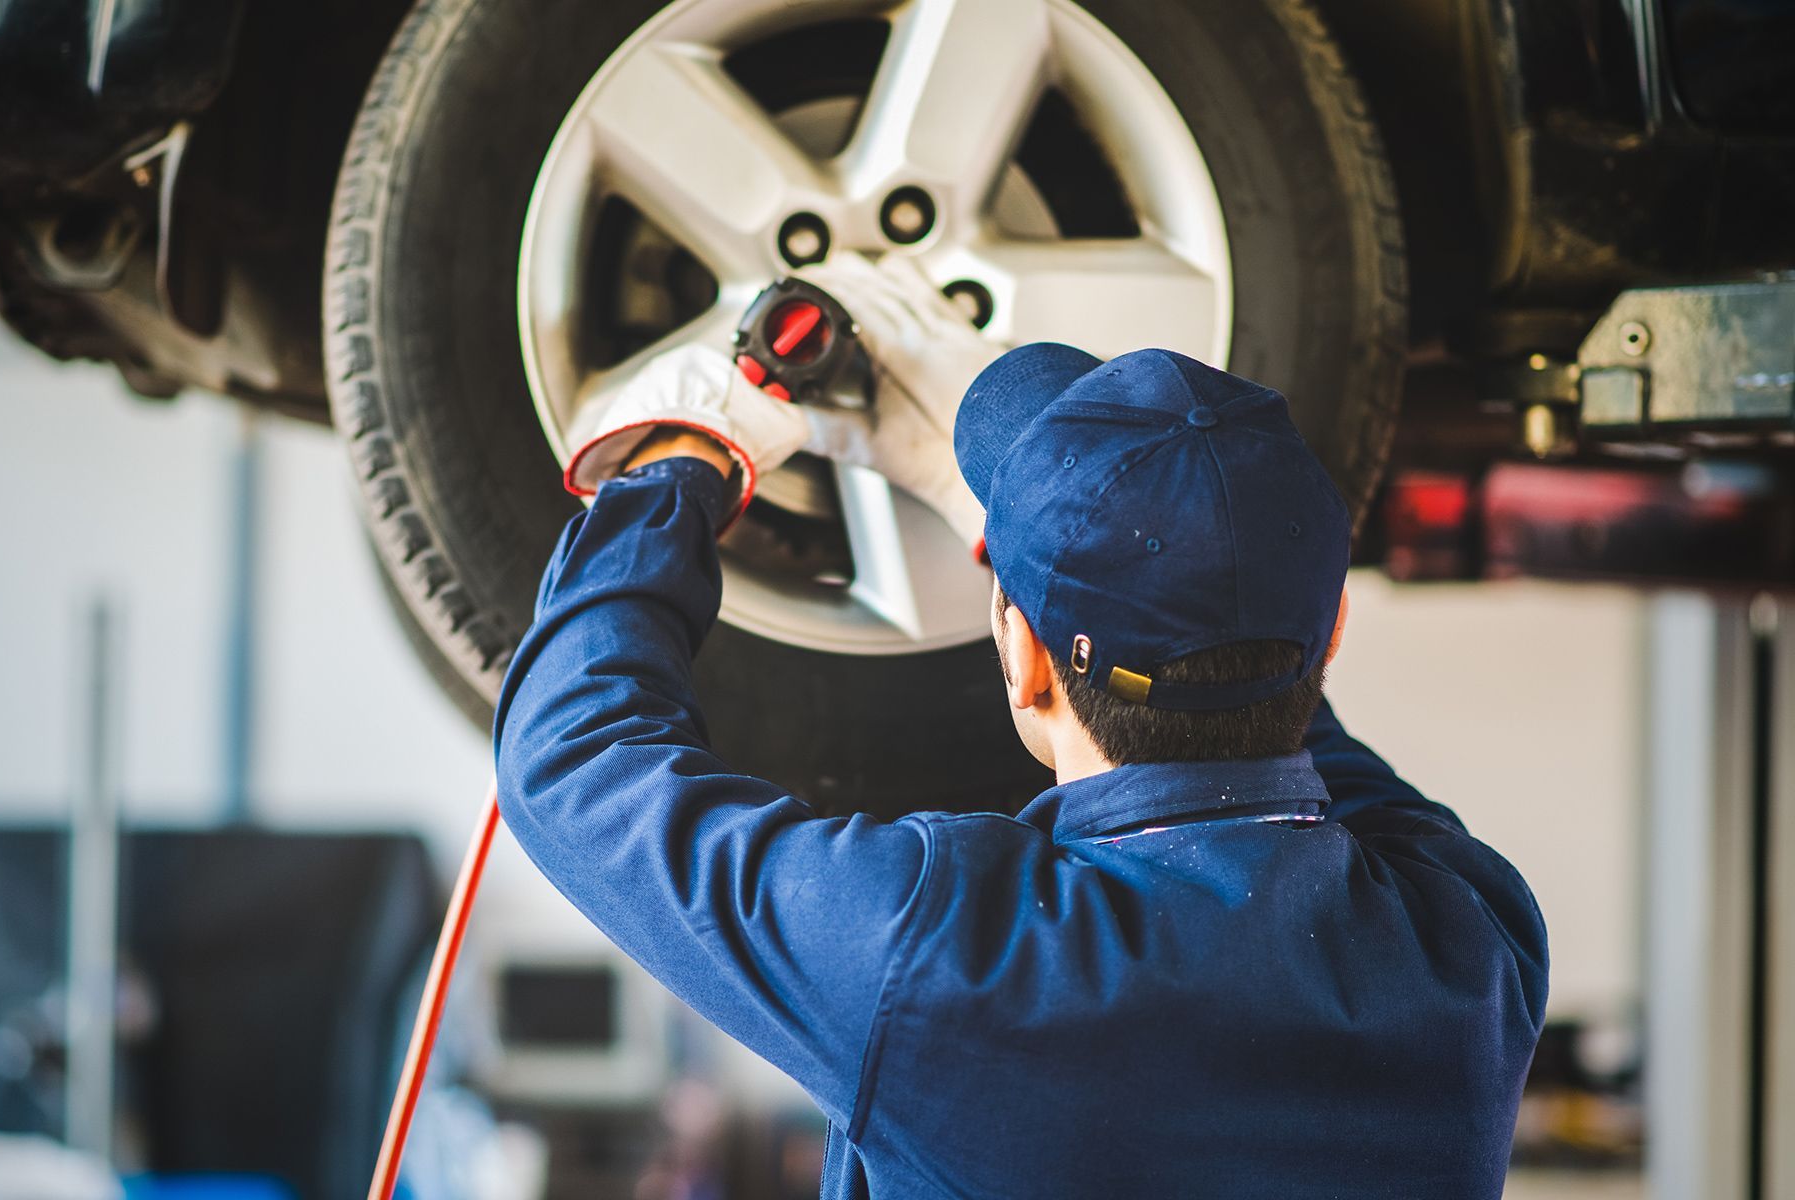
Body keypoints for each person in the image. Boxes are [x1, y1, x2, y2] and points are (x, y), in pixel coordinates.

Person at [493, 255, 1548, 1199]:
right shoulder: (1473, 943)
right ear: (1335, 632)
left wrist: (678, 461)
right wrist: (1037, 562)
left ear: (1024, 653)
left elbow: (576, 761)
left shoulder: (942, 958)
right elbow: (1282, 726)